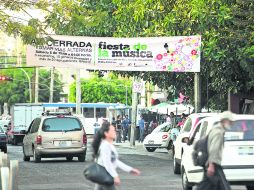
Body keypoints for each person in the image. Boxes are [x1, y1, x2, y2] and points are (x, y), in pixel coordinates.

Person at [92, 121, 140, 190]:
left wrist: (130, 169)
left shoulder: (109, 145)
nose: (115, 132)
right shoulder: (105, 146)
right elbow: (107, 163)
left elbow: (115, 161)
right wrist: (115, 176)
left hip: (103, 176)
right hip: (105, 175)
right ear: (106, 133)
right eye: (113, 130)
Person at [196, 111, 233, 190]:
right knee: (223, 187)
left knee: (208, 186)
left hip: (211, 164)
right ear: (225, 121)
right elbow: (214, 149)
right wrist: (211, 165)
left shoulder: (215, 129)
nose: (231, 124)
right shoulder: (218, 132)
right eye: (230, 121)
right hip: (214, 164)